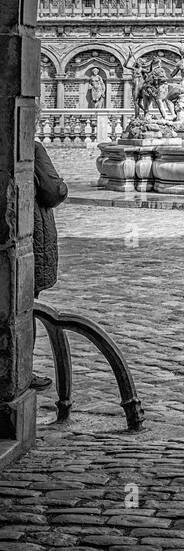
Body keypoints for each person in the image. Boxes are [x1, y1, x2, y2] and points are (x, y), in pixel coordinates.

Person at [32, 137, 69, 391]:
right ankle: (20, 368)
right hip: (31, 233)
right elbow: (53, 190)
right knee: (25, 308)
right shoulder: (31, 148)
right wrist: (63, 186)